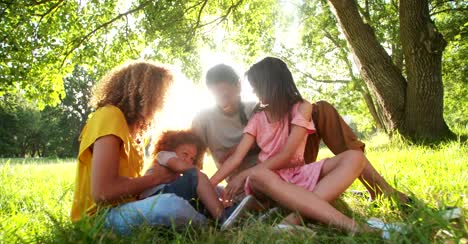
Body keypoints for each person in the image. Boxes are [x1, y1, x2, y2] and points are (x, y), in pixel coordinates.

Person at [192, 64, 409, 204]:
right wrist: (202, 190)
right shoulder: (202, 120)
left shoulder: (257, 107)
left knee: (321, 109)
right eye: (217, 93)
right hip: (253, 180)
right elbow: (194, 163)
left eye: (227, 92)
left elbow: (292, 121)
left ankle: (378, 187)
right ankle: (314, 200)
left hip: (287, 163)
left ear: (239, 86)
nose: (223, 98)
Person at [209, 57, 371, 232]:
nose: (255, 92)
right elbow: (236, 158)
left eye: (257, 87)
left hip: (296, 174)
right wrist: (209, 184)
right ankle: (352, 226)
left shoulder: (302, 107)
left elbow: (288, 155)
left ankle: (294, 217)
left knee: (355, 157)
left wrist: (244, 174)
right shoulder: (257, 118)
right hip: (265, 180)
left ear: (271, 84)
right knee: (259, 175)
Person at [70, 61, 206, 234]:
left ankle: (229, 207)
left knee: (196, 184)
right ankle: (211, 226)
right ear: (143, 92)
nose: (163, 103)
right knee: (170, 205)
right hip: (99, 220)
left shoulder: (137, 134)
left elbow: (133, 187)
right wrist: (157, 179)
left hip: (129, 208)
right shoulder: (109, 115)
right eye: (161, 94)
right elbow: (103, 193)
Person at [139, 130, 224, 220]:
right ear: (171, 148)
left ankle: (225, 209)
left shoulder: (180, 174)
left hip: (167, 194)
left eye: (192, 158)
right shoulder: (164, 155)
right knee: (197, 177)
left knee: (212, 190)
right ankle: (222, 217)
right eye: (185, 154)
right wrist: (199, 174)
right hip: (155, 197)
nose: (188, 160)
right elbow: (180, 166)